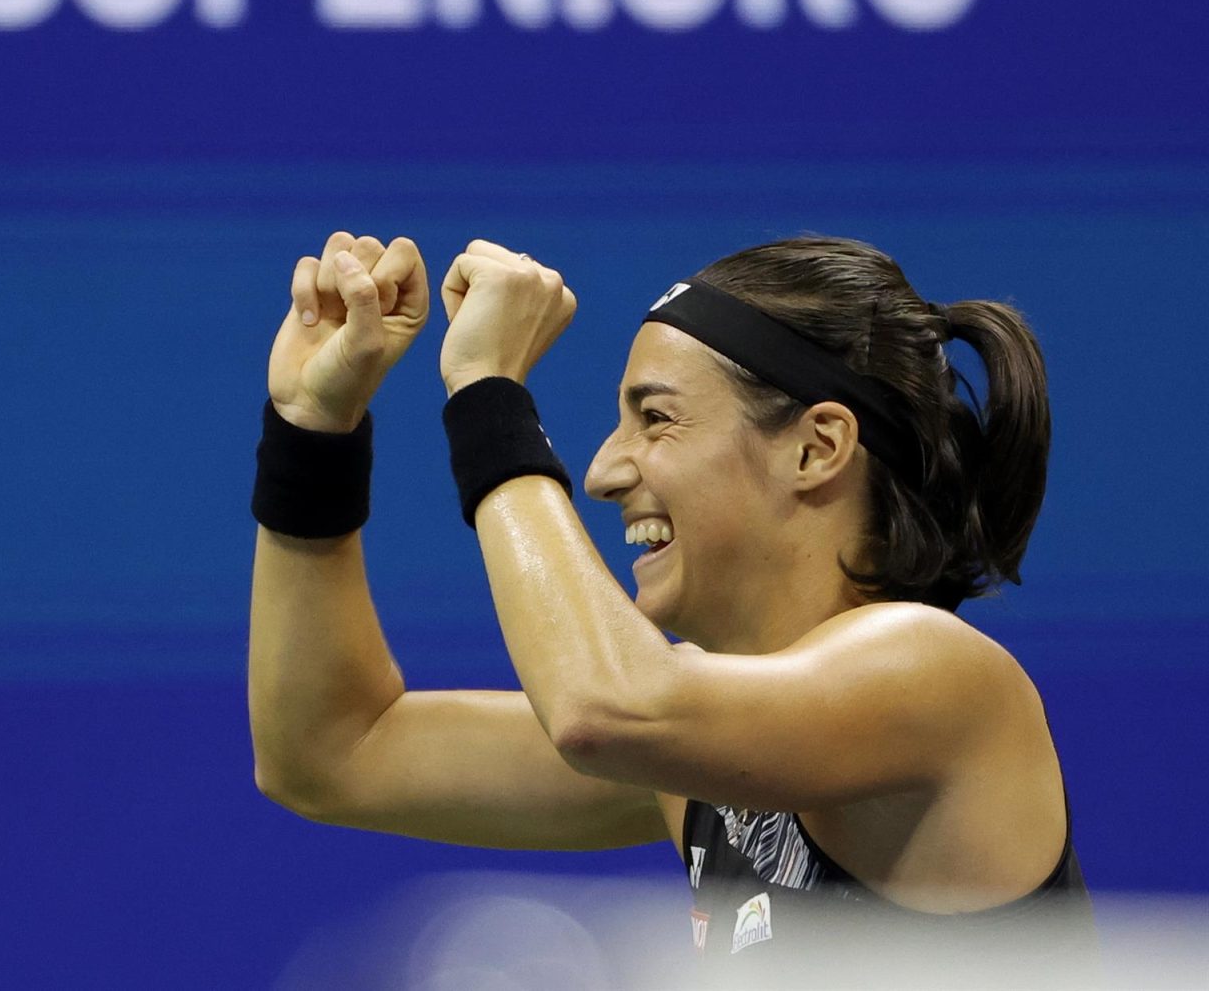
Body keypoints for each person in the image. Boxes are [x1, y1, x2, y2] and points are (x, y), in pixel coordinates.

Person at [248, 231, 1094, 984]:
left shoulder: (939, 675)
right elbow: (334, 751)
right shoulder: (704, 748)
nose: (604, 470)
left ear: (817, 446)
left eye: (655, 418)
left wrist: (487, 391)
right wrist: (313, 425)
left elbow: (603, 707)